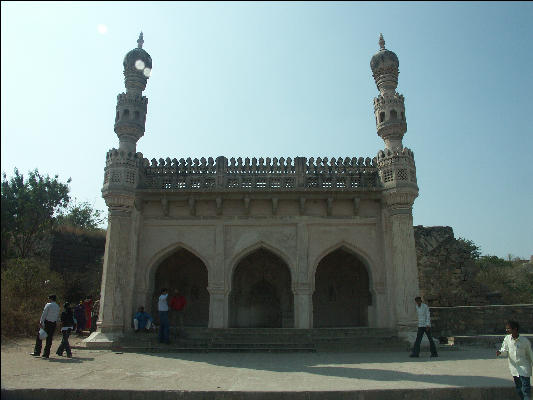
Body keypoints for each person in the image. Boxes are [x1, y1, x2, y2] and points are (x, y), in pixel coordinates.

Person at [497, 320, 533, 400]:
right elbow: (505, 350)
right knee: (519, 389)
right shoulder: (507, 339)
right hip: (514, 369)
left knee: (526, 390)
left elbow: (530, 354)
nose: (507, 330)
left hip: (524, 368)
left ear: (515, 329)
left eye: (509, 329)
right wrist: (500, 353)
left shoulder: (525, 341)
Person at [30, 294, 60, 359]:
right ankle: (46, 354)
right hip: (53, 323)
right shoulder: (57, 306)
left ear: (51, 299)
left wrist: (41, 322)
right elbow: (57, 316)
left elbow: (44, 314)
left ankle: (37, 351)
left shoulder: (48, 305)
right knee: (49, 339)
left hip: (47, 323)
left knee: (39, 336)